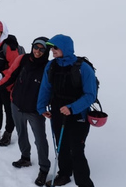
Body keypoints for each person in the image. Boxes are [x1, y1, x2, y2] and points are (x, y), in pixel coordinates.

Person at [37, 35, 97, 187]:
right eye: (51, 47)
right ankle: (64, 174)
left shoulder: (83, 68)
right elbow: (45, 87)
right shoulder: (51, 66)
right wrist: (42, 107)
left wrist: (72, 108)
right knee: (61, 145)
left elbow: (91, 95)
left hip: (78, 115)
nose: (52, 51)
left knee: (76, 150)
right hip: (58, 111)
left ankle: (84, 183)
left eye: (55, 47)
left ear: (65, 48)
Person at [0, 37, 51, 186]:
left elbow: (50, 90)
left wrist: (49, 106)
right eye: (36, 47)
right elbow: (10, 75)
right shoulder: (23, 59)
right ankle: (25, 157)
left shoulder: (48, 67)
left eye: (41, 49)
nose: (37, 51)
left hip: (35, 110)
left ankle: (44, 168)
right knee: (21, 133)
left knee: (40, 140)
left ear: (46, 51)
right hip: (17, 104)